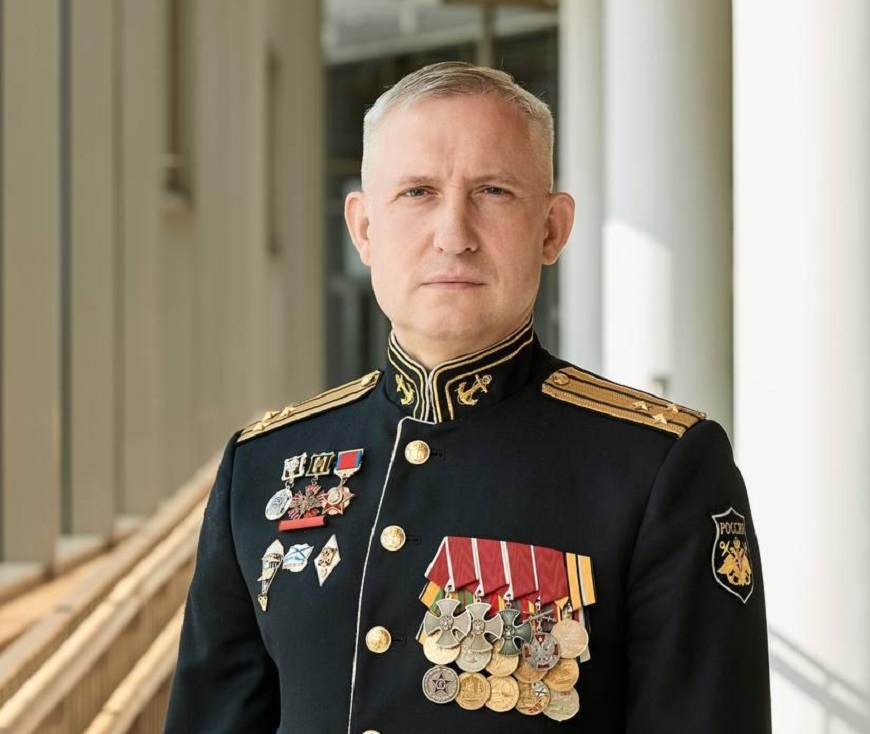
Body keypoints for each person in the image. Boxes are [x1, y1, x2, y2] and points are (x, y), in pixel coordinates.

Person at [165, 61, 771, 733]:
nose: (454, 234)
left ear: (551, 228)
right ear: (363, 229)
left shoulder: (658, 468)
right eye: (418, 192)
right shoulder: (262, 465)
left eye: (493, 191)